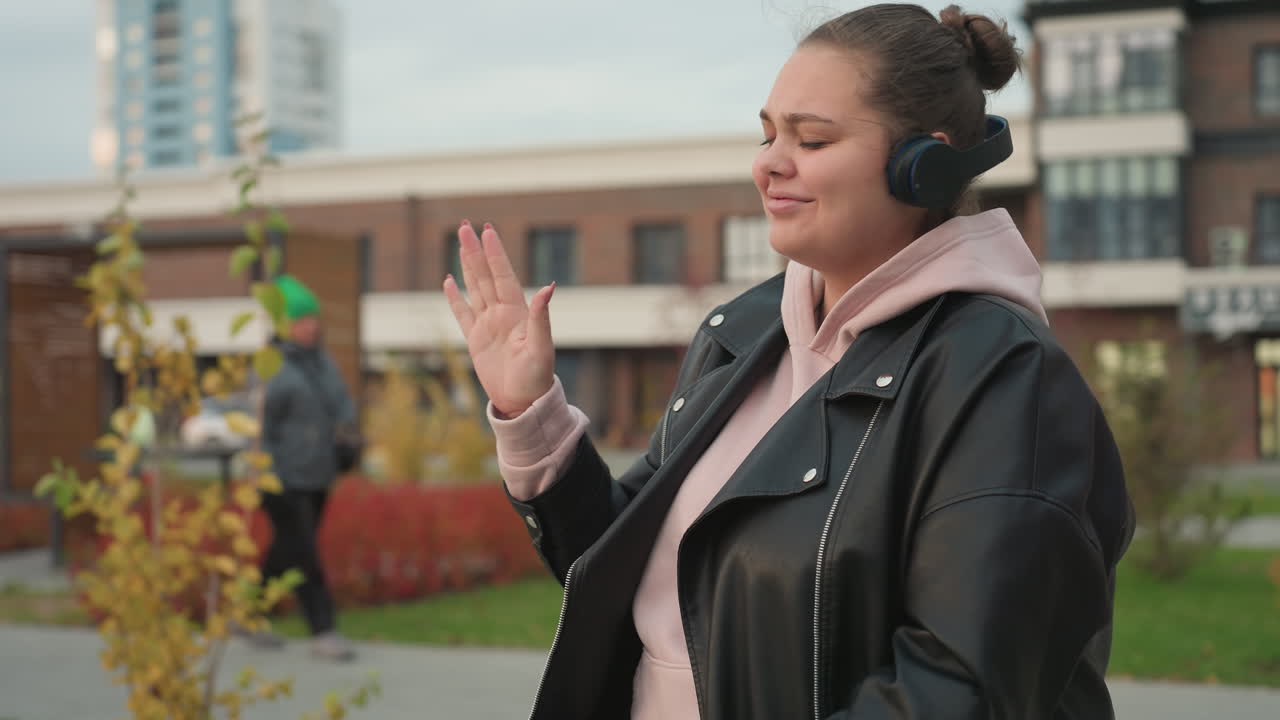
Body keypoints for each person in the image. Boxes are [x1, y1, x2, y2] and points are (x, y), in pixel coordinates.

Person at [443, 4, 1134, 718]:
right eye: (769, 133)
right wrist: (532, 411)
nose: (769, 163)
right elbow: (629, 571)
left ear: (923, 166)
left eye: (812, 139)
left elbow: (961, 689)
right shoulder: (740, 336)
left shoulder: (1003, 377)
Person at [254, 274, 357, 662]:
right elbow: (259, 428)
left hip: (317, 475)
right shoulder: (270, 367)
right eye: (301, 319)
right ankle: (323, 630)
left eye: (313, 318)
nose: (311, 326)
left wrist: (348, 433)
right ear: (283, 324)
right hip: (281, 479)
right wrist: (265, 474)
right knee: (306, 553)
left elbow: (342, 403)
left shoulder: (323, 364)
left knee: (286, 550)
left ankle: (248, 613)